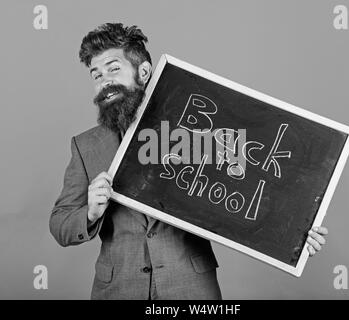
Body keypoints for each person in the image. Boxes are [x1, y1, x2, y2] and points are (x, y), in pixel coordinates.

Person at [49, 23, 328, 300]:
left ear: (143, 72)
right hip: (118, 288)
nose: (104, 81)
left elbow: (249, 189)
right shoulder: (86, 146)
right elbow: (60, 223)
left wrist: (296, 233)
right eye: (96, 75)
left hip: (189, 287)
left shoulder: (198, 130)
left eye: (113, 68)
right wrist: (90, 213)